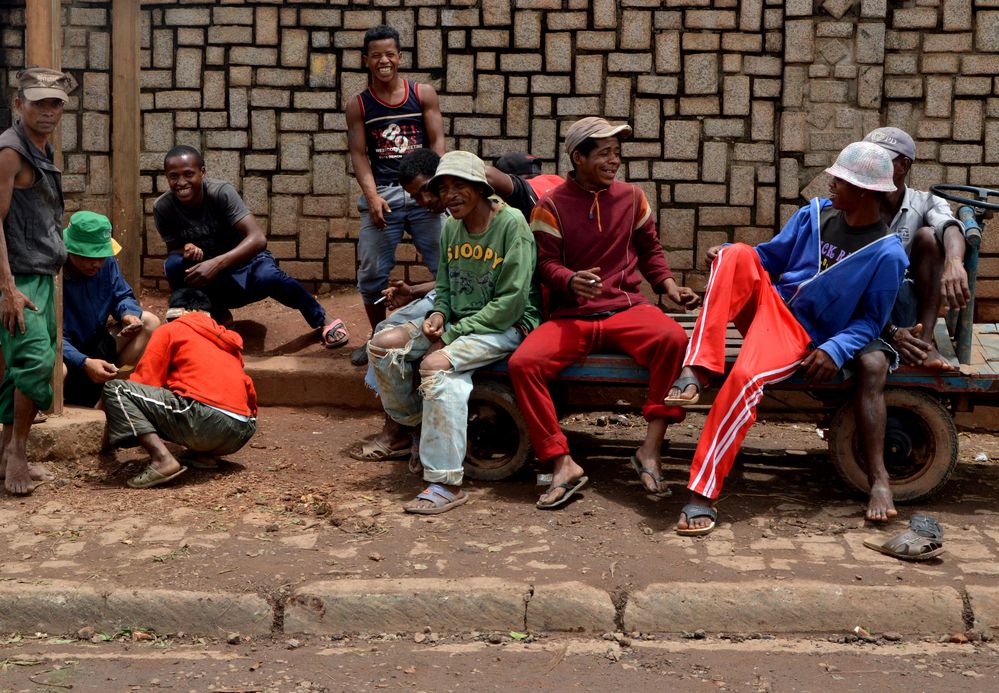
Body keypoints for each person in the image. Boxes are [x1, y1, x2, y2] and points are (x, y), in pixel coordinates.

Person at [666, 141, 909, 536]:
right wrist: (727, 255)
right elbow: (767, 259)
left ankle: (701, 493)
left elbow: (870, 322)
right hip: (770, 307)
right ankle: (697, 367)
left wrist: (835, 347)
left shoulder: (887, 254)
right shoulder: (812, 216)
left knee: (745, 380)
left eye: (840, 180)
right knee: (736, 254)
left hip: (800, 336)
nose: (829, 184)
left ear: (864, 191)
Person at [508, 117, 700, 510]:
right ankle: (560, 461)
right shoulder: (551, 206)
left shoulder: (633, 198)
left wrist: (669, 288)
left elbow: (651, 253)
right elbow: (543, 263)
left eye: (617, 153)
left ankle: (649, 450)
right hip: (572, 317)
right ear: (578, 157)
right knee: (523, 364)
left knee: (674, 339)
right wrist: (568, 280)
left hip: (625, 308)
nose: (614, 161)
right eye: (604, 153)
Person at [351, 147, 563, 462]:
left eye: (456, 186)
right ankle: (413, 424)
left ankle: (434, 461)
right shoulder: (451, 225)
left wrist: (450, 333)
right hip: (462, 316)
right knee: (382, 344)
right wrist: (438, 312)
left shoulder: (510, 222)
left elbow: (511, 301)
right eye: (442, 189)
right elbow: (449, 284)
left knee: (432, 364)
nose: (446, 196)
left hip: (506, 322)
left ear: (480, 187)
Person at [851, 127, 968, 522]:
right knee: (870, 368)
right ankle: (878, 478)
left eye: (884, 159)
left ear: (904, 166)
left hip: (906, 310)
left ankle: (924, 337)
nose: (875, 166)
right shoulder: (856, 196)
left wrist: (955, 262)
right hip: (863, 314)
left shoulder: (922, 201)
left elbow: (949, 227)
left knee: (930, 237)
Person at [153, 145, 348, 347]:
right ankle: (216, 314)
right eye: (173, 176)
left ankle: (322, 319)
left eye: (188, 174)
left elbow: (257, 239)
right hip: (212, 280)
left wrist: (215, 264)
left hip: (247, 267)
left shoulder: (220, 193)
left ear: (202, 172)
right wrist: (187, 249)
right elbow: (174, 250)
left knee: (269, 275)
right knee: (174, 265)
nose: (181, 182)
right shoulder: (163, 207)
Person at [346, 24, 445, 366]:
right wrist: (372, 197)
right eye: (376, 56)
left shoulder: (423, 94)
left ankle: (447, 329)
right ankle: (377, 339)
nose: (383, 60)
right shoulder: (359, 105)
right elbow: (359, 154)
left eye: (390, 54)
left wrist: (437, 188)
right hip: (385, 193)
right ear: (366, 61)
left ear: (400, 58)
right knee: (372, 272)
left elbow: (436, 143)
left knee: (448, 264)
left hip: (424, 193)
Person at [0, 67, 75, 495]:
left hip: (39, 274)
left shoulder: (39, 148)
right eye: (38, 102)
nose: (48, 111)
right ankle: (18, 454)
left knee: (22, 368)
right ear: (18, 104)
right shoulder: (10, 152)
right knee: (34, 365)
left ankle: (7, 447)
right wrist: (9, 288)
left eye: (55, 103)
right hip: (20, 278)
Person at [102, 288, 257, 489]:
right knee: (195, 395)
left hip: (204, 421)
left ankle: (162, 460)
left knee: (116, 390)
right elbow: (248, 390)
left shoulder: (172, 329)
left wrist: (107, 407)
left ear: (174, 313)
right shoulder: (226, 339)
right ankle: (204, 455)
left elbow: (145, 381)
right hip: (242, 431)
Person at [62, 211, 160, 407]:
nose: (96, 263)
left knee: (150, 322)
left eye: (101, 256)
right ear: (69, 250)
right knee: (54, 367)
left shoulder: (105, 263)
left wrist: (128, 314)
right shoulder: (53, 273)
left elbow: (121, 294)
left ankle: (111, 394)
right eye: (89, 256)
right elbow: (50, 337)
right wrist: (84, 362)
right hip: (64, 353)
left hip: (98, 344)